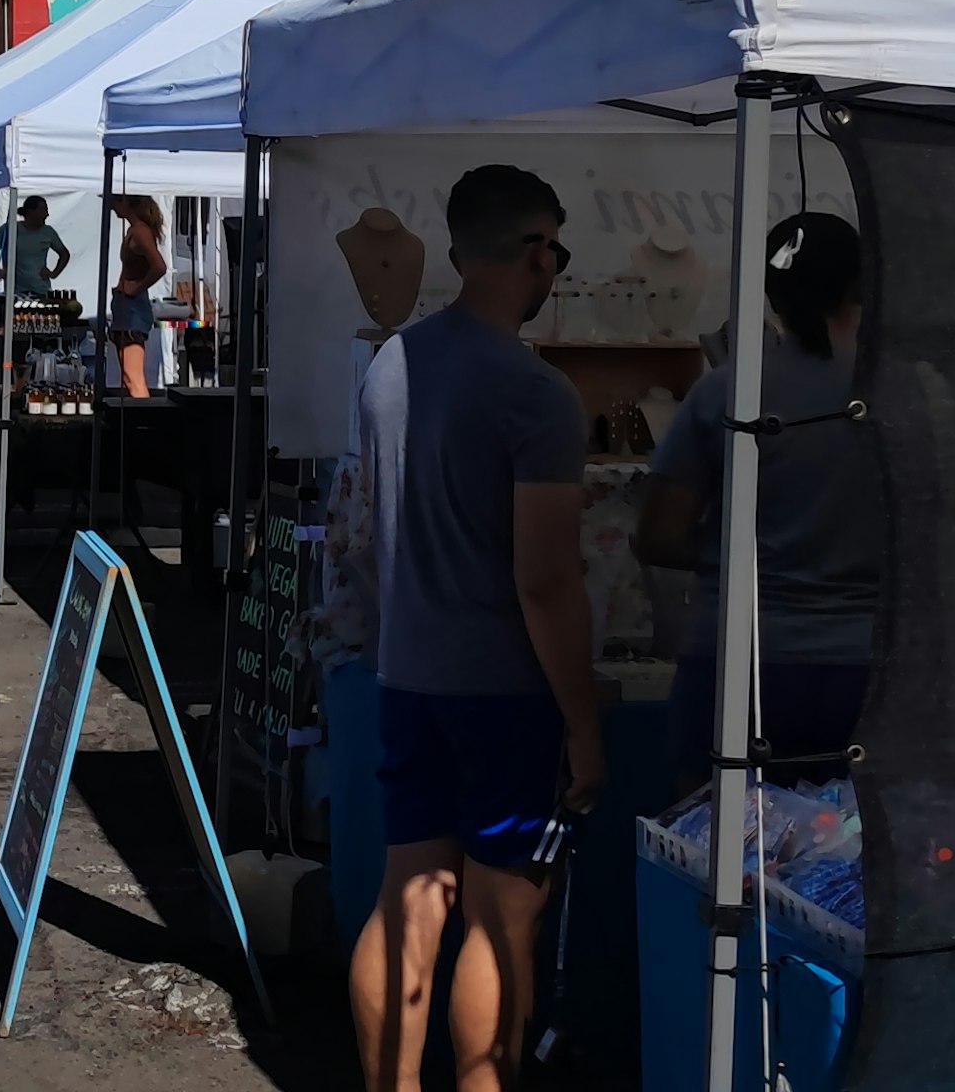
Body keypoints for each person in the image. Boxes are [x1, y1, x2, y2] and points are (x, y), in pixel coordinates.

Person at [349, 165, 604, 1092]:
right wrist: (583, 726)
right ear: (536, 250)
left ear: (457, 251)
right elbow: (545, 580)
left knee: (407, 904)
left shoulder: (390, 364)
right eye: (555, 252)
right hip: (503, 690)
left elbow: (369, 526)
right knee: (502, 919)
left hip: (410, 674)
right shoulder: (535, 394)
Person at [638, 212, 883, 794]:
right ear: (864, 284)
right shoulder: (913, 394)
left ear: (771, 295)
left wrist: (742, 553)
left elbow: (657, 538)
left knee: (713, 854)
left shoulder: (728, 391)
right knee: (850, 870)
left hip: (739, 666)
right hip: (871, 672)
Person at [110, 194, 169, 398]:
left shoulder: (140, 232)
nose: (111, 206)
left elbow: (159, 266)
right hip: (127, 304)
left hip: (132, 305)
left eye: (114, 201)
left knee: (133, 377)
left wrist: (136, 288)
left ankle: (147, 422)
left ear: (126, 202)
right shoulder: (135, 230)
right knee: (129, 376)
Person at [0, 193, 72, 302]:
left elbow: (64, 254)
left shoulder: (48, 232)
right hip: (14, 293)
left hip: (41, 291)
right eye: (43, 210)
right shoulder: (9, 230)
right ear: (30, 211)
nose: (47, 215)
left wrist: (54, 273)